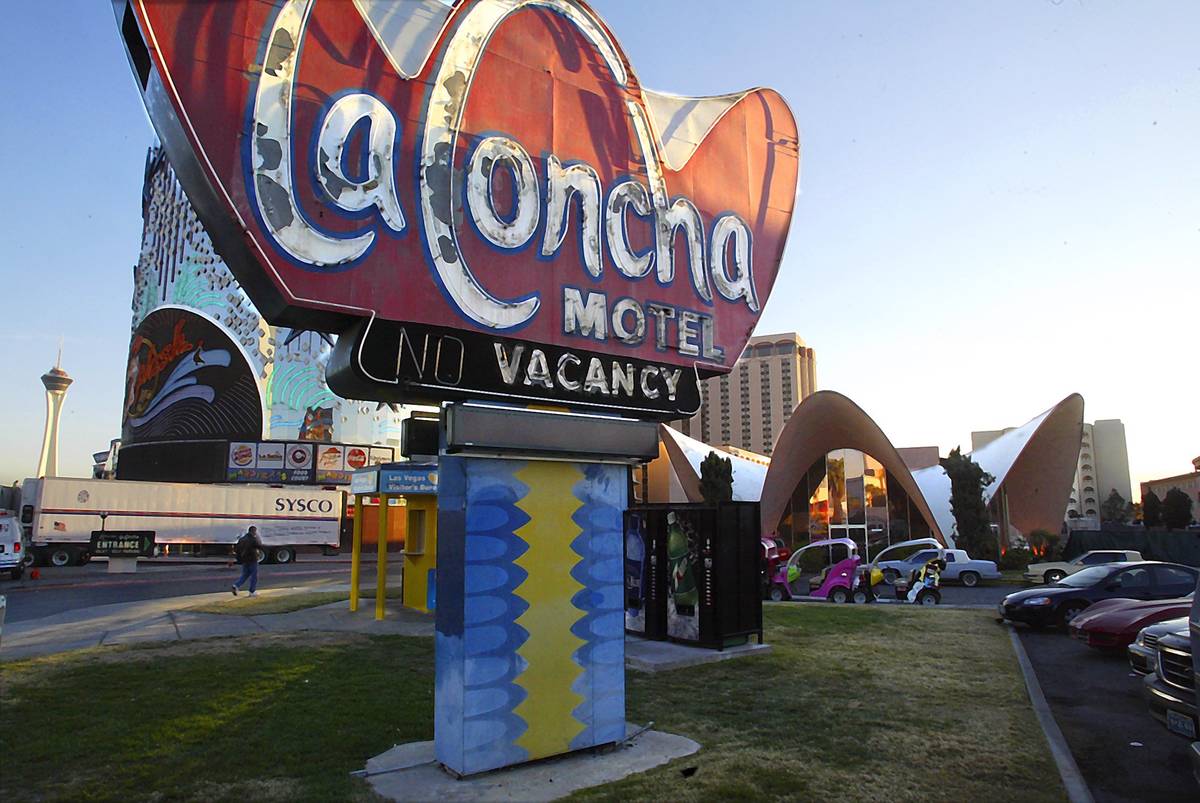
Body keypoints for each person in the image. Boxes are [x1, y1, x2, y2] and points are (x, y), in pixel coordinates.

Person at [231, 526, 262, 596]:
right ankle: (252, 591)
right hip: (252, 559)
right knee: (254, 576)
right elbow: (260, 546)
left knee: (245, 575)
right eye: (255, 532)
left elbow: (237, 550)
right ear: (254, 531)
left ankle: (236, 585)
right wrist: (258, 538)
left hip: (244, 560)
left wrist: (239, 559)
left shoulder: (242, 539)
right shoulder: (253, 539)